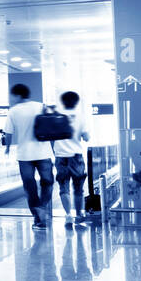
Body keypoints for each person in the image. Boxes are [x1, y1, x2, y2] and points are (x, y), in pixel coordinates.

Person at [5, 83, 54, 229]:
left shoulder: (13, 111)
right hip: (43, 152)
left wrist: (7, 147)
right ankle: (42, 208)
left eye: (11, 95)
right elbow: (51, 127)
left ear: (17, 95)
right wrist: (53, 147)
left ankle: (37, 214)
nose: (10, 97)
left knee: (29, 186)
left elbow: (8, 132)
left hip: (24, 155)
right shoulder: (41, 106)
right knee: (48, 182)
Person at [54, 90, 92, 227]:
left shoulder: (57, 117)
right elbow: (86, 137)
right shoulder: (81, 117)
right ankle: (78, 215)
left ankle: (68, 215)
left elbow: (50, 137)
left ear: (63, 102)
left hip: (60, 155)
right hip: (76, 155)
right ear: (76, 102)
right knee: (78, 188)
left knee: (63, 187)